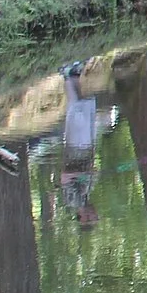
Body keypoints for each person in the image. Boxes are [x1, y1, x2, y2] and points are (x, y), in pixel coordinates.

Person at [59, 60, 98, 227]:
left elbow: (64, 177)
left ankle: (66, 75)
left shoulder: (73, 201)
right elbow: (89, 173)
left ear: (84, 218)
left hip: (76, 148)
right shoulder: (86, 196)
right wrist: (92, 172)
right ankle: (75, 74)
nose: (96, 213)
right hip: (87, 148)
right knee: (86, 108)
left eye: (93, 217)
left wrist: (81, 174)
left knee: (76, 111)